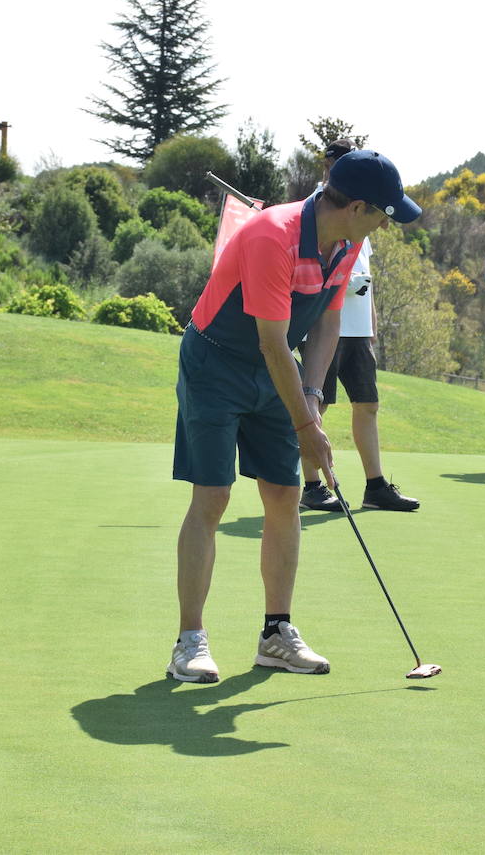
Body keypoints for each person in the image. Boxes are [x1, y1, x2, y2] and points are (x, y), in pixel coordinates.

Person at [168, 150, 422, 683]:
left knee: (284, 495)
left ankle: (275, 636)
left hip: (275, 369)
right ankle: (189, 642)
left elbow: (329, 322)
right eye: (381, 213)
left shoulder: (350, 243)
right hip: (216, 362)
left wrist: (311, 397)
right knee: (212, 496)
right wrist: (307, 431)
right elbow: (271, 339)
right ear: (355, 206)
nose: (384, 223)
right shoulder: (272, 235)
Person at [299, 140, 419, 513]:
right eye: (337, 161)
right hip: (322, 327)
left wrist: (371, 317)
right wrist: (347, 284)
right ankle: (312, 486)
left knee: (367, 405)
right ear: (329, 167)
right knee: (316, 405)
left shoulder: (365, 210)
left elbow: (363, 267)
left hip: (356, 326)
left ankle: (375, 485)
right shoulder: (322, 209)